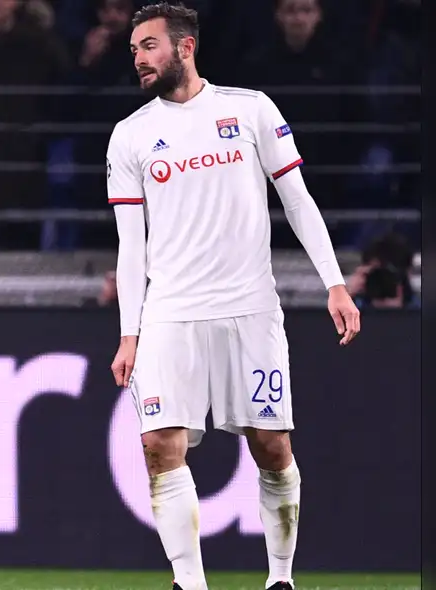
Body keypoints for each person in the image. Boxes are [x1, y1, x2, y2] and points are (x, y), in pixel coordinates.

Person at [104, 4, 360, 590]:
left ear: (185, 47)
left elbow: (297, 200)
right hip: (170, 314)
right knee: (158, 445)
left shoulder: (250, 110)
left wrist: (335, 283)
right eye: (134, 50)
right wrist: (129, 333)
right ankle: (189, 583)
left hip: (250, 308)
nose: (139, 58)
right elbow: (131, 246)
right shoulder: (130, 135)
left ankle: (280, 579)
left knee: (271, 446)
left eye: (149, 46)